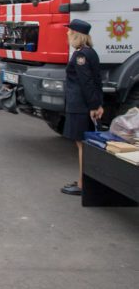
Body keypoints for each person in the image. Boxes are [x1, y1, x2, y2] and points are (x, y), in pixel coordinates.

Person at [61, 19, 103, 196]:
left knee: (82, 146)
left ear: (76, 34)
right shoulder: (89, 52)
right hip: (84, 104)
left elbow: (86, 83)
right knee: (83, 145)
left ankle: (83, 184)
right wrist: (98, 103)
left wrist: (94, 105)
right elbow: (97, 81)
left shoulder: (81, 56)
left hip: (80, 106)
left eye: (69, 31)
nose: (67, 33)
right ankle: (83, 181)